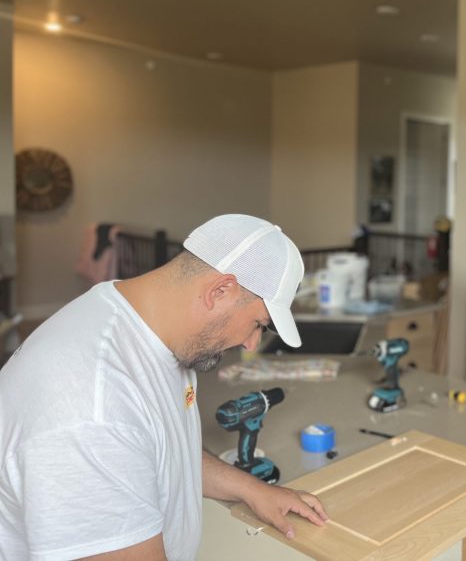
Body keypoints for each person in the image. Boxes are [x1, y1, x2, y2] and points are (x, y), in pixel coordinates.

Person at [0, 214, 328, 560]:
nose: (251, 343)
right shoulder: (93, 409)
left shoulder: (143, 323)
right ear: (220, 291)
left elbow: (160, 447)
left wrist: (251, 489)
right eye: (258, 324)